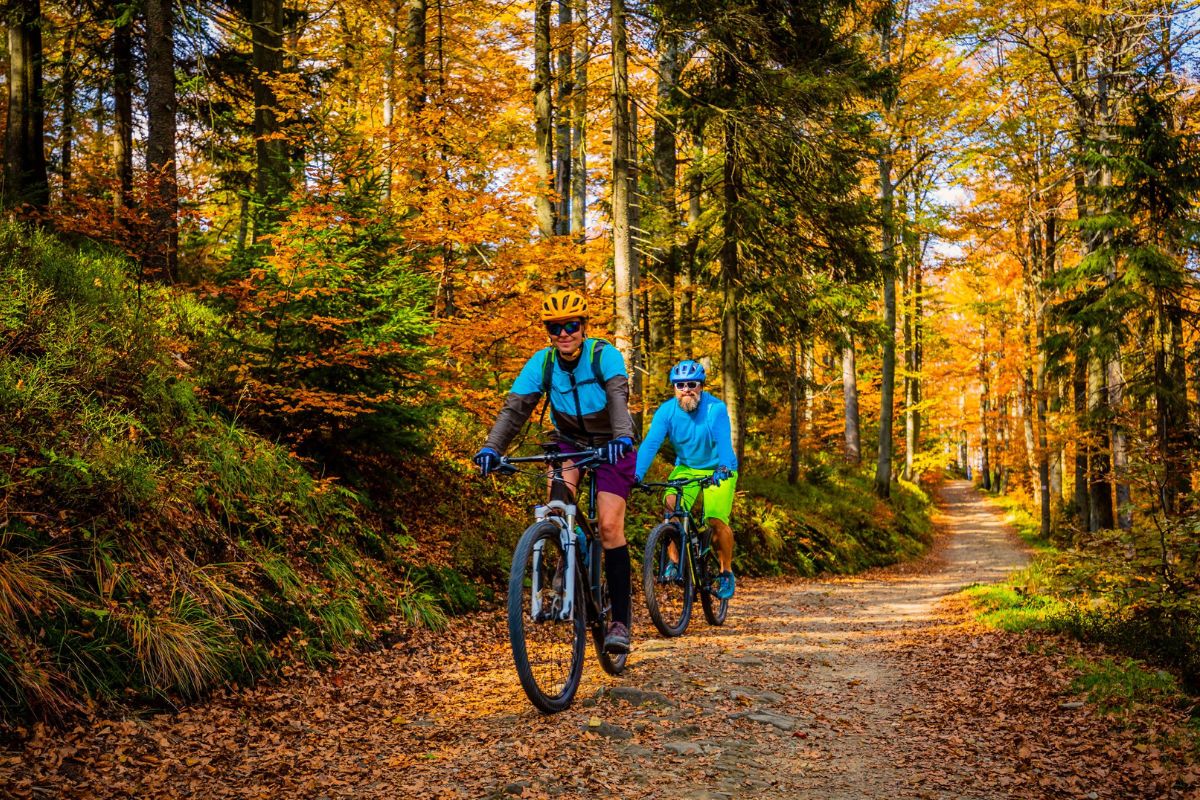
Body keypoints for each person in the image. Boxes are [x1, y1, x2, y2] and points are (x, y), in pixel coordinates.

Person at [473, 290, 638, 654]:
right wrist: (492, 448)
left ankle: (620, 622)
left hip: (612, 442)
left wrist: (622, 438)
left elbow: (618, 399)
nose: (563, 333)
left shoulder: (603, 355)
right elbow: (515, 409)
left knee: (610, 527)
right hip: (569, 440)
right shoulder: (543, 362)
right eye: (555, 327)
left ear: (584, 327)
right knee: (557, 508)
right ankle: (566, 562)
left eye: (571, 325)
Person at [634, 359, 739, 600]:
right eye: (680, 385)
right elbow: (650, 445)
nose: (686, 389)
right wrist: (636, 474)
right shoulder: (666, 412)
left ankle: (725, 571)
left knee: (715, 519)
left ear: (701, 386)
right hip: (687, 468)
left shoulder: (715, 409)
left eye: (691, 384)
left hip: (719, 468)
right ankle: (674, 562)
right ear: (673, 388)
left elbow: (724, 442)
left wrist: (723, 466)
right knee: (671, 507)